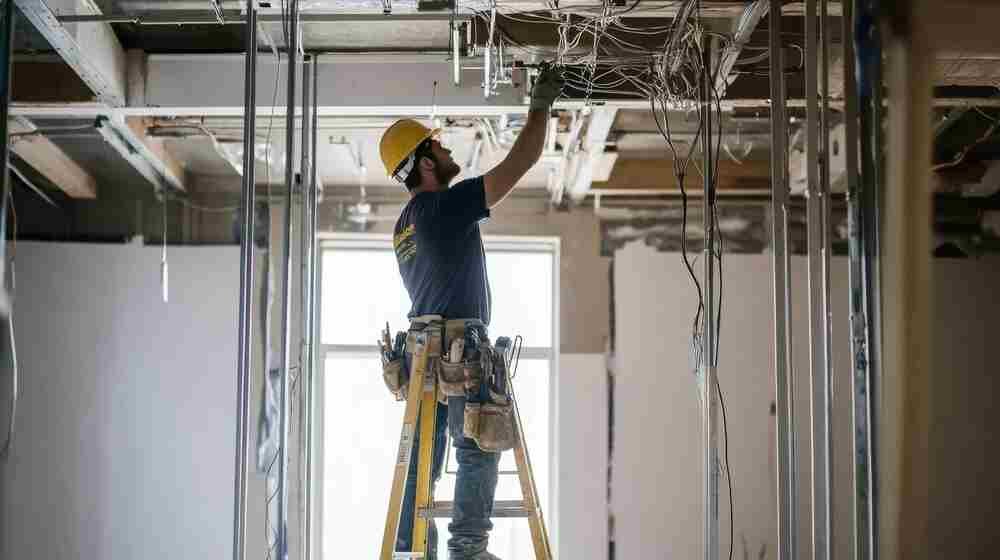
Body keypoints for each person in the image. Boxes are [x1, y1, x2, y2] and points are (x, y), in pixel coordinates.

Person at [378, 65, 564, 560]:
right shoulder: (444, 208)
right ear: (423, 165)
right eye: (438, 147)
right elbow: (521, 161)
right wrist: (541, 106)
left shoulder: (404, 226)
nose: (447, 150)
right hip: (459, 347)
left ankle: (413, 547)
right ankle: (467, 550)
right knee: (480, 443)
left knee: (425, 454)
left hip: (424, 353)